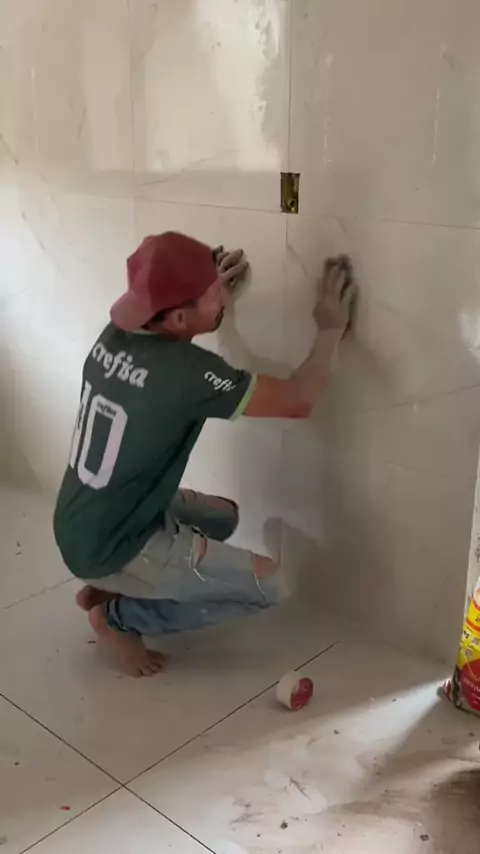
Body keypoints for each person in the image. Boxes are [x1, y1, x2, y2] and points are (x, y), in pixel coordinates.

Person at [53, 232, 356, 677]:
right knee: (272, 584)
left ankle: (108, 585)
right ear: (178, 316)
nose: (224, 300)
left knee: (224, 518)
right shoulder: (187, 374)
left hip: (82, 518)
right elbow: (298, 399)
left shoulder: (117, 334)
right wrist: (330, 329)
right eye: (215, 295)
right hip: (115, 541)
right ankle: (119, 619)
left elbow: (170, 346)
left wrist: (202, 288)